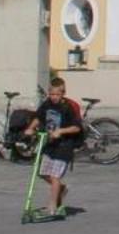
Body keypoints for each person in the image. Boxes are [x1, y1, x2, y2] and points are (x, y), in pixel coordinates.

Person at [31, 75, 84, 219]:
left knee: (55, 176)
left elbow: (76, 128)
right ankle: (61, 188)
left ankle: (52, 207)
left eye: (56, 94)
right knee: (42, 173)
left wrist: (60, 131)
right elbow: (38, 117)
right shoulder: (47, 104)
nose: (53, 97)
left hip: (65, 146)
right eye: (51, 94)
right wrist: (30, 128)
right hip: (50, 144)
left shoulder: (68, 108)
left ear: (63, 93)